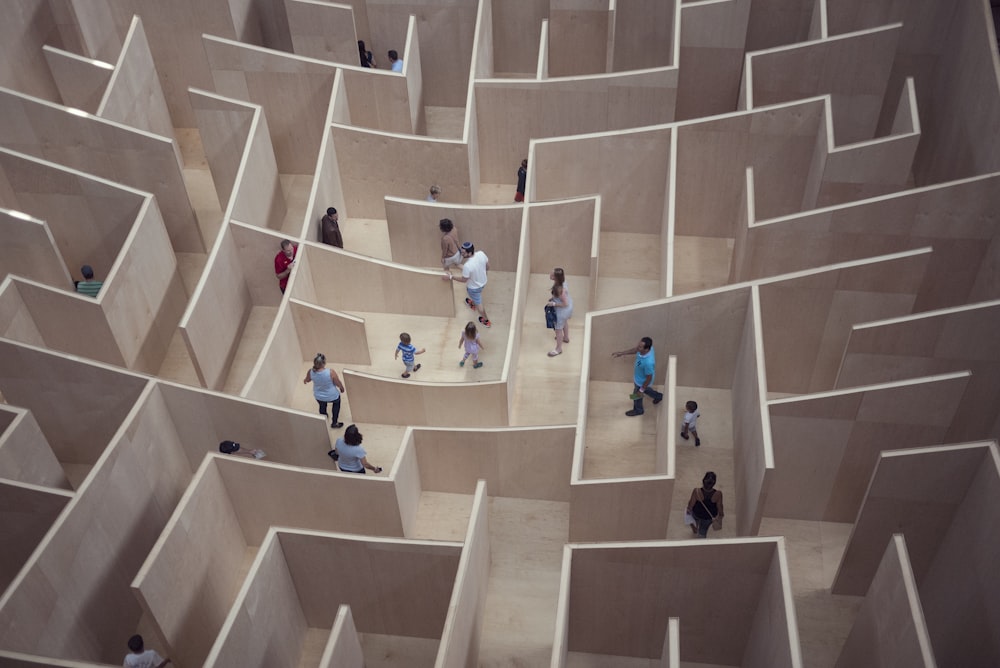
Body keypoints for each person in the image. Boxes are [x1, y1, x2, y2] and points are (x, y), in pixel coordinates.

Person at [611, 336, 663, 416]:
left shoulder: (648, 363)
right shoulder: (647, 349)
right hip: (639, 380)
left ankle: (638, 410)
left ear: (646, 349)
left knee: (636, 396)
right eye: (639, 345)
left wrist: (641, 389)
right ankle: (658, 396)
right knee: (648, 391)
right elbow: (635, 350)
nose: (637, 348)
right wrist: (622, 353)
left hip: (642, 383)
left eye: (640, 347)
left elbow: (649, 378)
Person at [444, 241, 491, 328]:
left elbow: (464, 279)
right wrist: (458, 265)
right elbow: (487, 267)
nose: (461, 254)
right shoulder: (481, 254)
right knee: (475, 297)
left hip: (474, 289)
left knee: (479, 305)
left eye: (463, 252)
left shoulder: (468, 265)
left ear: (469, 253)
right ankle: (473, 302)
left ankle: (486, 320)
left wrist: (451, 277)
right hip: (483, 282)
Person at [303, 353, 345, 428]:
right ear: (324, 363)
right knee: (336, 404)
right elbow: (337, 382)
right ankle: (334, 422)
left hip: (319, 396)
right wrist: (341, 388)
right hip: (332, 395)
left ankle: (323, 420)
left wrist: (305, 380)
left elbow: (307, 380)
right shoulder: (331, 372)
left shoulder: (311, 372)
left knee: (322, 406)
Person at [546, 267, 573, 357]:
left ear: (555, 277)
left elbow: (565, 303)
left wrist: (554, 304)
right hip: (567, 309)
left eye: (552, 274)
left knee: (558, 330)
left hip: (562, 311)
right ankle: (565, 338)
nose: (550, 274)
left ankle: (558, 349)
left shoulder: (560, 290)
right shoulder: (562, 282)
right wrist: (554, 298)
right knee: (564, 322)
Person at [687, 471, 723, 538]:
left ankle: (695, 529)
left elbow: (691, 503)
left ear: (703, 480)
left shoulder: (696, 491)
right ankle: (701, 540)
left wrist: (688, 509)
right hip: (708, 517)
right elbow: (720, 506)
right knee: (703, 531)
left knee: (695, 521)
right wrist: (721, 515)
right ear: (714, 483)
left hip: (697, 513)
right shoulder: (718, 494)